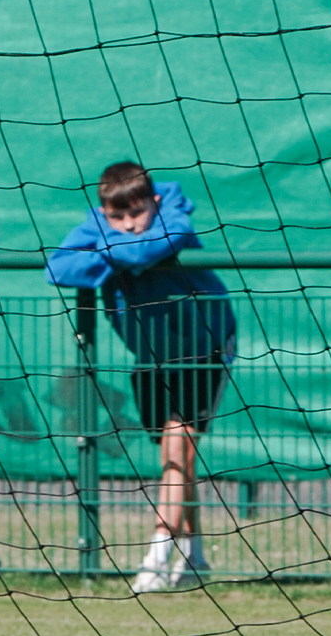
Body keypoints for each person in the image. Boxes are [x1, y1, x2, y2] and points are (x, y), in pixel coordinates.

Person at [45, 161, 235, 592]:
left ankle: (156, 553)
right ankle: (195, 557)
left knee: (178, 447)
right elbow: (58, 270)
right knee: (176, 458)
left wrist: (103, 253)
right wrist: (117, 255)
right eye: (117, 217)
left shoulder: (174, 215)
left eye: (137, 214)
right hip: (149, 356)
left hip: (204, 347)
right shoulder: (101, 223)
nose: (129, 226)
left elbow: (149, 249)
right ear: (104, 210)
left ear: (155, 201)